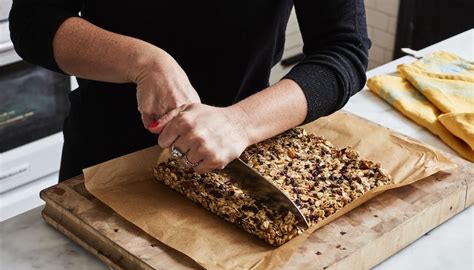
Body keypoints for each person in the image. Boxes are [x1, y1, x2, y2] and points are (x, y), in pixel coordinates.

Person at [9, 1, 370, 180]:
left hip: (235, 156)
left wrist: (240, 122)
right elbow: (34, 22)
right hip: (104, 162)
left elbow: (343, 49)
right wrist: (143, 61)